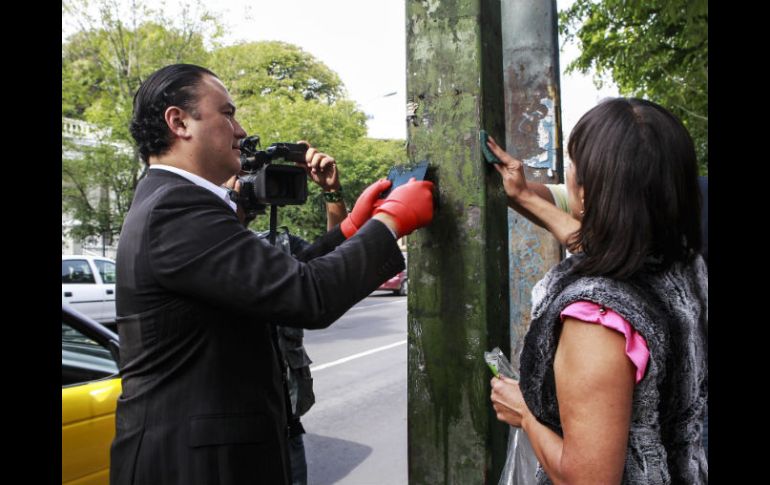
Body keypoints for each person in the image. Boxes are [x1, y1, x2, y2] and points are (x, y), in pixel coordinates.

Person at [110, 63, 434, 485]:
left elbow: (281, 275)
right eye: (227, 113)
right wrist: (390, 222)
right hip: (192, 467)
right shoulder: (176, 209)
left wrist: (352, 227)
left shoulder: (173, 202)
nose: (240, 129)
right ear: (179, 122)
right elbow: (307, 295)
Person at [485, 97, 707, 484]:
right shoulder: (685, 268)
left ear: (585, 193)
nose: (567, 175)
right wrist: (521, 194)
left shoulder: (597, 319)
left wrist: (525, 413)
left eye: (572, 165)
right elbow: (609, 249)